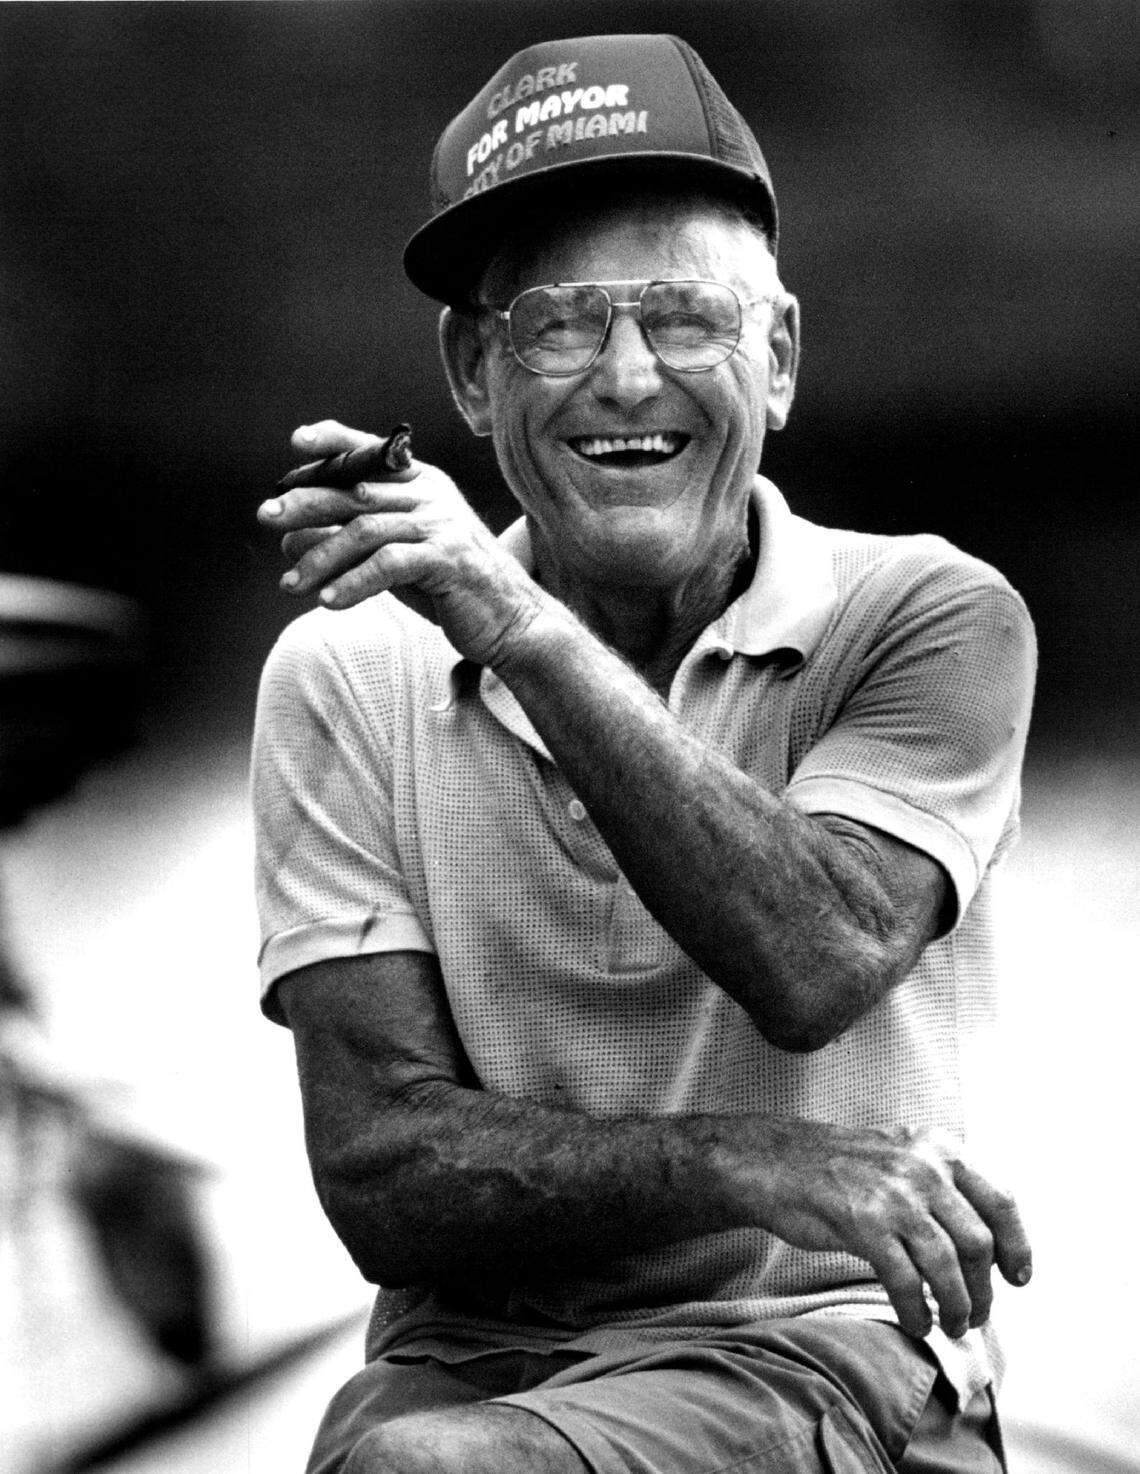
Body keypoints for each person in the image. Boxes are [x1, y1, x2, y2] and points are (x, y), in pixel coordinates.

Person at [252, 33, 1036, 1474]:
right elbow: (383, 1172)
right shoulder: (342, 670)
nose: (626, 376)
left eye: (684, 316)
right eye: (559, 323)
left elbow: (816, 955)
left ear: (779, 359)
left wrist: (515, 628)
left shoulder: (936, 616)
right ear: (474, 375)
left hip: (825, 1354)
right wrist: (756, 1162)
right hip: (465, 1364)